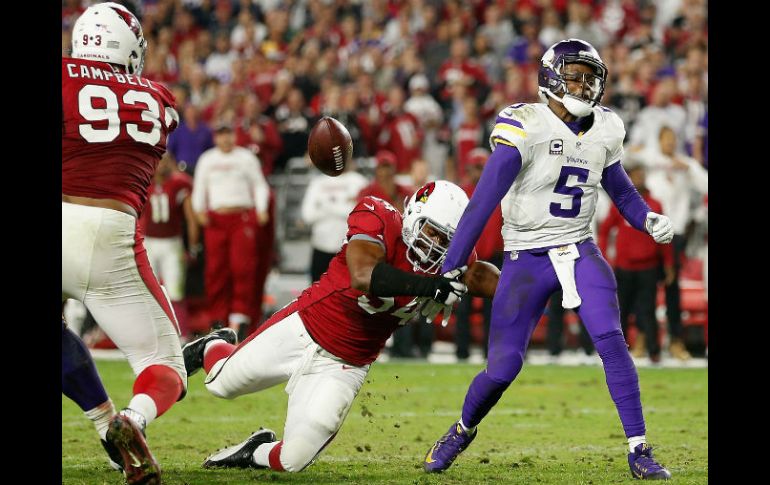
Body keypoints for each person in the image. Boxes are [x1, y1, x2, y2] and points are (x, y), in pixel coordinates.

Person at [421, 39, 673, 480]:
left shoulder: (606, 128)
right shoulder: (526, 124)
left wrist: (647, 219)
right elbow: (483, 202)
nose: (585, 84)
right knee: (502, 368)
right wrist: (451, 266)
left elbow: (620, 189)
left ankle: (639, 449)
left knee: (611, 339)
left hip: (579, 247)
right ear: (551, 76)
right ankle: (461, 429)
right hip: (524, 257)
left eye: (592, 76)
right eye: (575, 74)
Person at [182, 181, 500, 473]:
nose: (435, 245)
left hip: (347, 363)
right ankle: (214, 346)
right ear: (414, 213)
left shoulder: (452, 262)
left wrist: (541, 284)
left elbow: (493, 280)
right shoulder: (379, 217)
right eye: (432, 232)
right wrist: (430, 287)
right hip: (306, 326)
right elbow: (363, 275)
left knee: (293, 460)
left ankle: (253, 452)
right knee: (220, 385)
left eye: (446, 239)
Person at [62, 4, 203, 484]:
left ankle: (103, 423)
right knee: (166, 365)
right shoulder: (161, 101)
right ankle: (130, 419)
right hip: (110, 234)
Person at [191, 121, 271, 335]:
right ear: (215, 137)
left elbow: (259, 185)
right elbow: (199, 187)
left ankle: (240, 319)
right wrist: (199, 210)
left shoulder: (246, 157)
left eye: (228, 134)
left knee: (242, 269)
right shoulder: (208, 159)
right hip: (216, 220)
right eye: (221, 135)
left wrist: (261, 209)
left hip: (241, 218)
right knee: (216, 271)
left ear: (234, 136)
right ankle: (218, 320)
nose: (225, 139)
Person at [638, 126, 708, 360]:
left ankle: (676, 341)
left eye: (672, 139)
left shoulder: (685, 165)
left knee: (672, 289)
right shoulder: (652, 165)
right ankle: (642, 339)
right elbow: (632, 155)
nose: (669, 143)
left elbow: (705, 184)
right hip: (650, 233)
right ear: (659, 141)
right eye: (665, 139)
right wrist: (661, 161)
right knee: (645, 288)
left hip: (675, 235)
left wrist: (688, 170)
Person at [599, 164, 675, 363]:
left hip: (648, 267)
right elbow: (605, 230)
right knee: (621, 311)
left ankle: (654, 353)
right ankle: (619, 355)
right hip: (624, 267)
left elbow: (664, 237)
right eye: (636, 175)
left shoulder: (655, 204)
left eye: (642, 175)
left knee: (648, 311)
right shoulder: (620, 205)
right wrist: (604, 258)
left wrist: (668, 264)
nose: (640, 178)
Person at [139, 152, 199, 341]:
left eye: (167, 161)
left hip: (172, 242)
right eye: (160, 161)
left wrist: (193, 246)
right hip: (149, 242)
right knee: (149, 292)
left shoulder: (179, 183)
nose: (162, 165)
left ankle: (181, 334)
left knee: (175, 291)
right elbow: (139, 217)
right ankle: (151, 335)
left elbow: (191, 218)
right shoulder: (144, 182)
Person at [301, 161, 368, 282]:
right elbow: (307, 215)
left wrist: (324, 206)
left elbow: (361, 214)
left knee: (350, 296)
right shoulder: (317, 182)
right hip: (321, 247)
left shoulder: (359, 181)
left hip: (349, 249)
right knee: (318, 295)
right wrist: (343, 206)